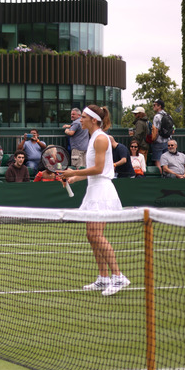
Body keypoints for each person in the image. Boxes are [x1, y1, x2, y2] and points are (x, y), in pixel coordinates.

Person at [61, 105, 129, 296]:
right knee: (91, 235)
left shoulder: (100, 138)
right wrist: (75, 178)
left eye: (82, 117)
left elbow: (99, 169)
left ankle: (118, 277)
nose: (79, 120)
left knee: (96, 234)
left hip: (102, 191)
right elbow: (93, 170)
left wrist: (74, 171)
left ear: (93, 119)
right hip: (93, 189)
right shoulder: (93, 138)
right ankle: (103, 277)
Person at [151, 99, 171, 167]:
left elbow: (155, 130)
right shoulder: (168, 115)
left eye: (154, 105)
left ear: (159, 106)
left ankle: (160, 176)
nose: (153, 106)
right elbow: (173, 129)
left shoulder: (156, 116)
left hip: (158, 142)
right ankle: (166, 175)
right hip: (168, 141)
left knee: (158, 161)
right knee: (166, 161)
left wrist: (153, 140)